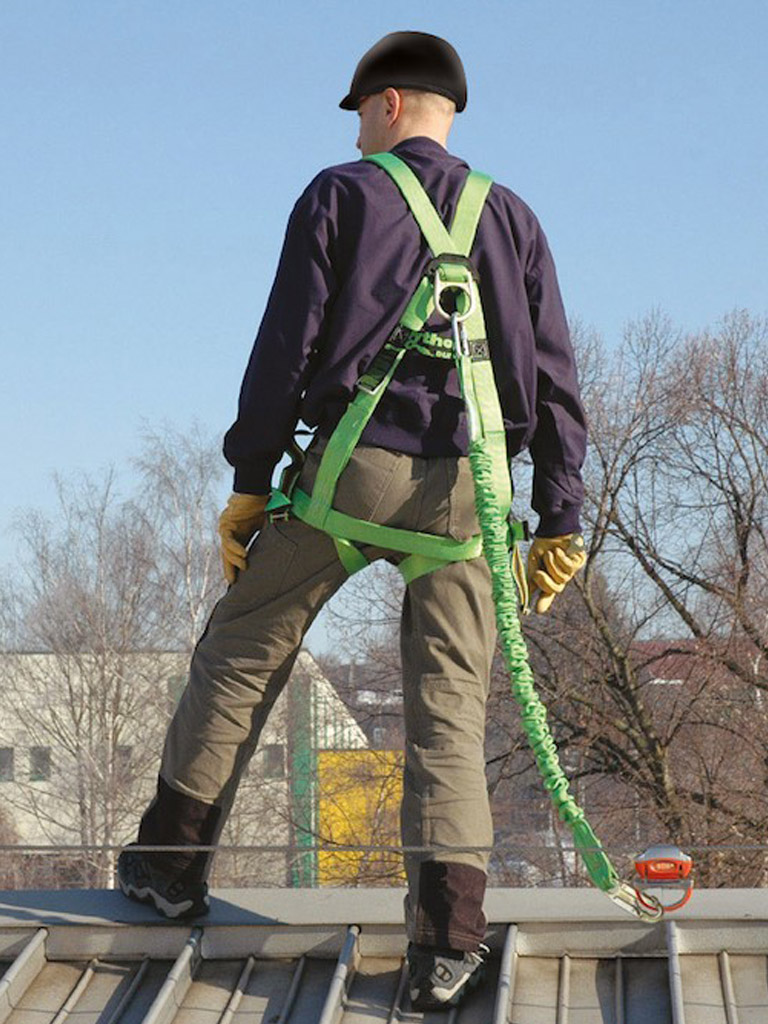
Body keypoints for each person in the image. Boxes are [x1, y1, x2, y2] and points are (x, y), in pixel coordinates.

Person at [118, 31, 587, 1011]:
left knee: (242, 648)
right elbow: (553, 378)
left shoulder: (342, 195)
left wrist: (251, 480)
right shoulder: (514, 218)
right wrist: (560, 515)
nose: (358, 133)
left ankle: (168, 868)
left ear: (388, 104)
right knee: (450, 708)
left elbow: (285, 348)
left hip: (348, 477)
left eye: (361, 115)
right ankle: (446, 946)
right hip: (465, 497)